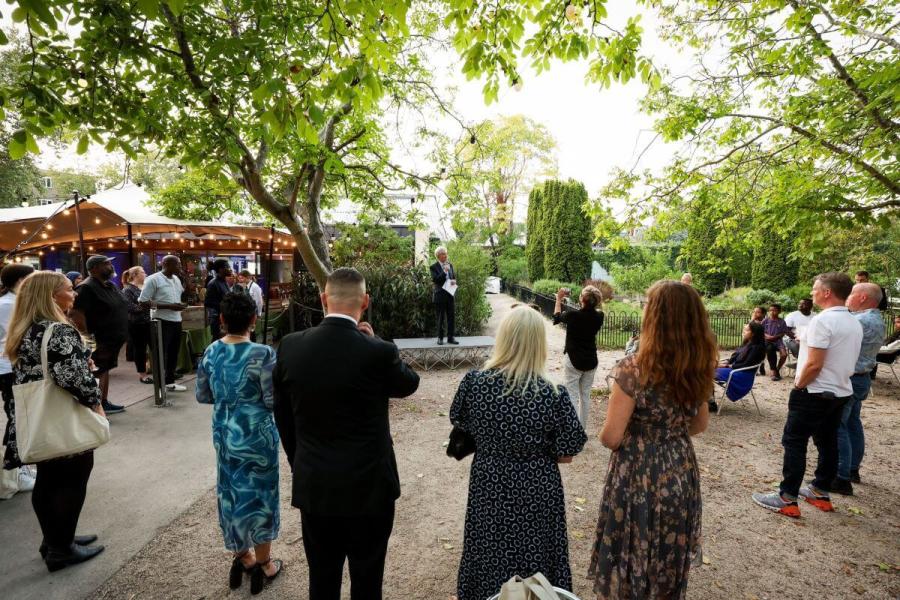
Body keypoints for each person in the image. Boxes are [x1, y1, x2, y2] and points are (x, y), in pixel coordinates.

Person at [273, 267, 419, 600]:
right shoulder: (378, 352)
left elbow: (282, 415)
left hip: (316, 484)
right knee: (368, 581)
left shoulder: (290, 347)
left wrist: (302, 462)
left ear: (324, 299)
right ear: (365, 302)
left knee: (321, 579)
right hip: (371, 488)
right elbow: (409, 383)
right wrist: (377, 341)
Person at [588, 280, 714, 599]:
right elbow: (699, 424)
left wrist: (643, 434)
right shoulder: (698, 366)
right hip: (679, 470)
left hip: (637, 472)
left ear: (654, 317)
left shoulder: (634, 369)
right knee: (668, 552)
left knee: (632, 549)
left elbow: (611, 437)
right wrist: (668, 433)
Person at [451, 306, 587, 600]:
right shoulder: (553, 394)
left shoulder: (474, 385)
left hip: (490, 482)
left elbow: (464, 430)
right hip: (538, 485)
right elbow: (567, 453)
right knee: (538, 556)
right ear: (538, 344)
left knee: (487, 549)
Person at [4, 271, 106, 571]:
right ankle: (61, 548)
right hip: (61, 415)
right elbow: (71, 377)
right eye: (68, 289)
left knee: (48, 479)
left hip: (38, 415)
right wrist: (94, 401)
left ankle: (55, 538)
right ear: (51, 296)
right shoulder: (58, 331)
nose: (74, 294)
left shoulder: (26, 328)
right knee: (72, 478)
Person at [752, 272, 862, 518]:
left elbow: (815, 364)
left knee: (794, 441)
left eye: (815, 289)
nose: (811, 293)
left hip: (813, 391)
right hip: (840, 391)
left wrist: (799, 385)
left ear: (826, 292)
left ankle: (787, 497)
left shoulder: (822, 321)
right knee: (827, 441)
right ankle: (821, 490)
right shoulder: (853, 321)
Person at [197, 292, 282, 595]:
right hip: (257, 433)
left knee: (230, 491)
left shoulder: (210, 352)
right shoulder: (263, 354)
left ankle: (241, 556)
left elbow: (203, 395)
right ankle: (264, 563)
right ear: (254, 319)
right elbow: (272, 399)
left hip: (225, 431)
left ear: (221, 320)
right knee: (261, 494)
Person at [830, 283, 884, 495]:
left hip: (850, 378)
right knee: (853, 423)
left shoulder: (859, 321)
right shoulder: (877, 319)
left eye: (852, 293)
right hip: (863, 377)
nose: (848, 297)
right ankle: (852, 469)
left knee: (839, 425)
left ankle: (841, 476)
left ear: (862, 297)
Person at [70, 255, 129, 415]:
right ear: (94, 268)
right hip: (98, 339)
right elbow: (76, 314)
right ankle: (95, 407)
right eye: (106, 264)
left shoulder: (109, 285)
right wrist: (87, 339)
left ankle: (103, 401)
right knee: (97, 371)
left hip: (111, 339)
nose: (111, 266)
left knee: (105, 369)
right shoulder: (86, 288)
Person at [0, 264, 36, 494]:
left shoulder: (9, 302)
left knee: (18, 416)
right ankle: (14, 472)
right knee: (18, 417)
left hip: (10, 366)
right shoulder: (9, 305)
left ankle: (17, 469)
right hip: (9, 368)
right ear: (22, 280)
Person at [553, 285, 605, 427]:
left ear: (582, 298)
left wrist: (558, 299)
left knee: (572, 395)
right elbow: (593, 311)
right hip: (591, 360)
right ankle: (582, 428)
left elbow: (556, 318)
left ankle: (573, 429)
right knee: (585, 396)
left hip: (573, 359)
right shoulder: (599, 316)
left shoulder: (572, 316)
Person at [139, 256, 188, 393]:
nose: (180, 267)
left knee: (173, 353)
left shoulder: (176, 279)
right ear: (166, 264)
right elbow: (143, 302)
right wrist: (169, 306)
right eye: (177, 264)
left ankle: (170, 382)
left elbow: (180, 296)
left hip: (176, 320)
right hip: (161, 321)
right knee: (160, 354)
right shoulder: (153, 279)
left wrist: (180, 304)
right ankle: (159, 386)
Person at [709, 321, 766, 413]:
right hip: (735, 370)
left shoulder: (757, 348)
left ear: (754, 333)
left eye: (746, 330)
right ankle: (709, 400)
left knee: (706, 373)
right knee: (706, 370)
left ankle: (710, 403)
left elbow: (747, 364)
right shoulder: (747, 344)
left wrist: (728, 365)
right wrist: (724, 363)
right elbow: (733, 358)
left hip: (742, 374)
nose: (743, 331)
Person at [121, 266, 153, 384]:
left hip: (149, 322)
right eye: (143, 272)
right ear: (135, 275)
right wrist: (146, 305)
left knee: (155, 347)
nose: (145, 274)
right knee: (140, 349)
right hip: (136, 324)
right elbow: (130, 307)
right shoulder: (128, 290)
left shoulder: (145, 287)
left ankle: (157, 370)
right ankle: (143, 375)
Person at [430, 246, 458, 345]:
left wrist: (454, 281)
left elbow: (452, 277)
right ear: (438, 256)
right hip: (440, 296)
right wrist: (444, 271)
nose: (445, 255)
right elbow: (436, 280)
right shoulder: (433, 267)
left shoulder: (450, 265)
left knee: (451, 317)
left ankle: (451, 337)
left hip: (450, 294)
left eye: (446, 253)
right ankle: (440, 338)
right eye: (443, 254)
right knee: (441, 318)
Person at [205, 261, 232, 341]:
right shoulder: (213, 283)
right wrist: (224, 305)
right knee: (218, 342)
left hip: (225, 318)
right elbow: (208, 302)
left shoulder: (224, 282)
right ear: (220, 270)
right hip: (217, 319)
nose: (230, 269)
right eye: (227, 267)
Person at [762, 303, 790, 381]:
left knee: (784, 355)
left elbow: (784, 332)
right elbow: (761, 331)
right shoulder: (766, 320)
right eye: (770, 310)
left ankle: (777, 369)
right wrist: (768, 336)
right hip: (767, 341)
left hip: (778, 341)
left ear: (779, 311)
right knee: (770, 349)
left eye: (775, 310)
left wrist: (775, 337)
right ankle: (773, 371)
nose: (772, 312)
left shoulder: (781, 321)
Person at [237, 270, 265, 342]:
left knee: (251, 330)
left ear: (248, 277)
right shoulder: (243, 286)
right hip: (245, 312)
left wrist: (258, 314)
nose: (240, 280)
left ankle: (253, 344)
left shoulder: (255, 287)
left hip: (253, 312)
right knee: (246, 331)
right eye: (239, 278)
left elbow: (259, 301)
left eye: (242, 278)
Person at [751, 306, 766, 375]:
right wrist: (752, 320)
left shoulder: (765, 321)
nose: (755, 313)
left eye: (758, 312)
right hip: (753, 341)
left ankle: (761, 366)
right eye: (754, 312)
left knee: (761, 355)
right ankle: (755, 369)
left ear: (763, 314)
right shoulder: (753, 321)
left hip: (763, 341)